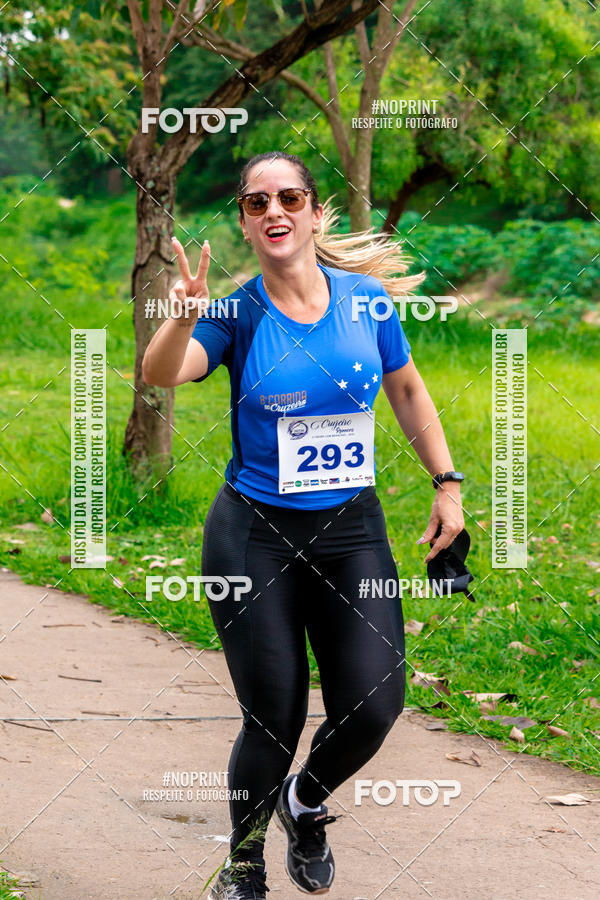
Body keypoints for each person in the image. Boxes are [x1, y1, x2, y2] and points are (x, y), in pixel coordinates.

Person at [142, 151, 465, 899]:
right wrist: (184, 310)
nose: (275, 210)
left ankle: (303, 801)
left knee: (377, 700)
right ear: (247, 224)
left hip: (352, 531)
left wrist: (446, 484)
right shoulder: (235, 313)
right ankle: (244, 863)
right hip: (254, 536)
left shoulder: (367, 302)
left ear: (317, 213)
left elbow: (409, 388)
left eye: (290, 197)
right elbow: (162, 373)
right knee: (274, 714)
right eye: (257, 203)